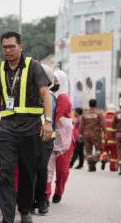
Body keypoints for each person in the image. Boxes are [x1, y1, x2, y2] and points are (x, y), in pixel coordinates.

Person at [0, 31, 52, 223]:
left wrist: (47, 121)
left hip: (31, 130)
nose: (7, 50)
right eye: (4, 47)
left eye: (11, 47)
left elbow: (45, 93)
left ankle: (25, 211)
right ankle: (7, 217)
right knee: (5, 171)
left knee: (27, 173)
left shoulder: (33, 66)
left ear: (20, 47)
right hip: (7, 129)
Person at [13, 64, 56, 215]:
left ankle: (42, 200)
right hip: (29, 135)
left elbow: (49, 117)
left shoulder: (49, 97)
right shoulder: (28, 94)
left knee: (41, 169)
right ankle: (29, 201)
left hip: (45, 139)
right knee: (29, 170)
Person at [46, 70, 74, 204]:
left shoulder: (63, 98)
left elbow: (54, 116)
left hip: (63, 140)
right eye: (53, 80)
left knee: (62, 170)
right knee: (48, 168)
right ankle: (45, 195)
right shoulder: (50, 96)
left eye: (57, 81)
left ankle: (59, 191)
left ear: (62, 82)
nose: (54, 83)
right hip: (50, 136)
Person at [79, 99, 107, 172]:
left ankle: (91, 167)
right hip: (96, 134)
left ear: (89, 104)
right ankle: (94, 159)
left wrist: (80, 134)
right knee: (99, 149)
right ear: (96, 104)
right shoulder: (99, 113)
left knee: (88, 151)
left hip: (86, 134)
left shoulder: (85, 114)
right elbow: (103, 125)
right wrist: (106, 133)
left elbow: (81, 125)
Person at [101, 103, 118, 171]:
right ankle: (112, 167)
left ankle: (104, 158)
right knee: (114, 153)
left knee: (105, 151)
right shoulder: (116, 117)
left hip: (105, 139)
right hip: (114, 140)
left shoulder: (104, 117)